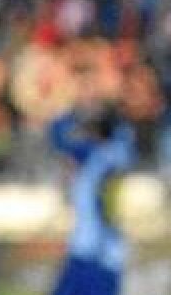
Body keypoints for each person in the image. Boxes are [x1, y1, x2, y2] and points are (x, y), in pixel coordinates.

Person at [49, 104, 135, 295]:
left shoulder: (94, 156)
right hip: (109, 249)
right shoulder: (121, 152)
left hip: (92, 248)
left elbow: (60, 139)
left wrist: (70, 114)